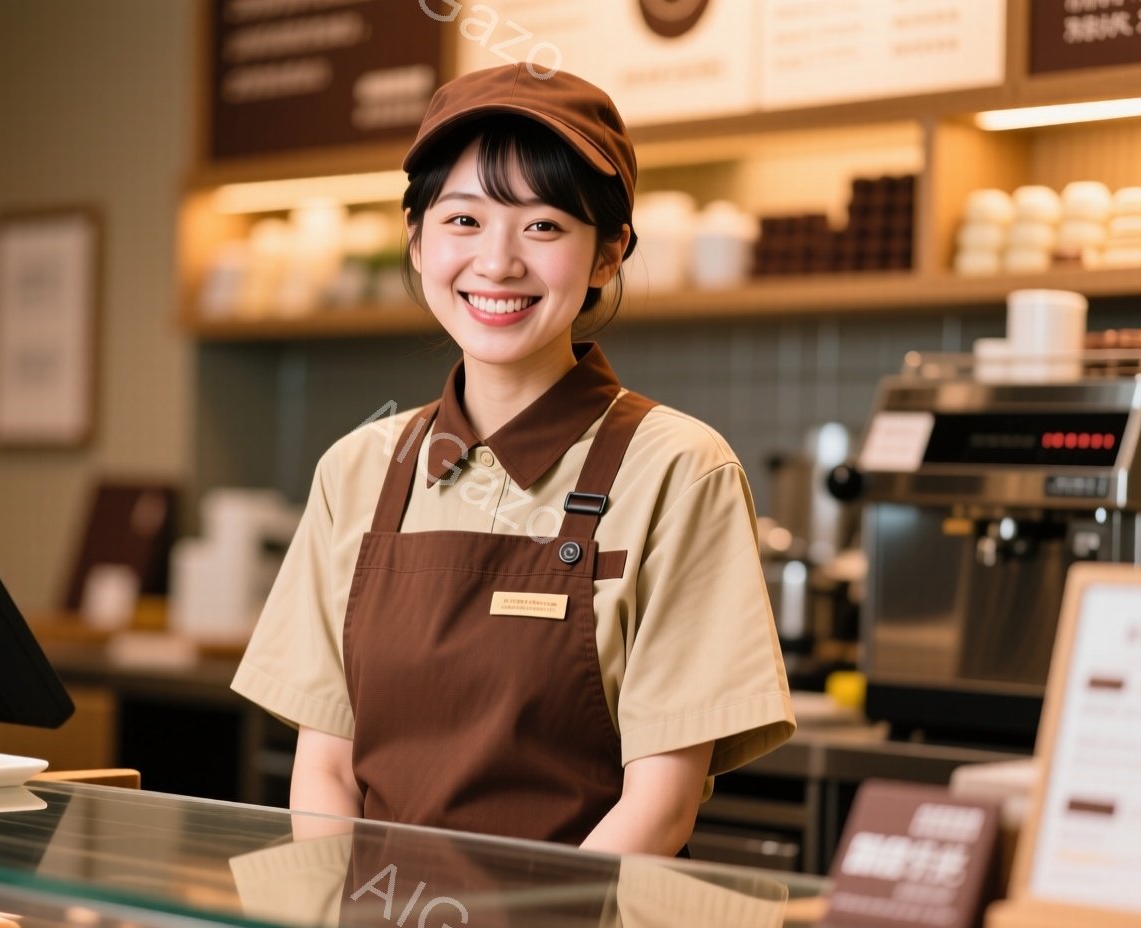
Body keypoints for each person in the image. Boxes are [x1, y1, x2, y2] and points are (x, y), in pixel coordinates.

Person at [231, 63, 794, 857]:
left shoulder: (679, 469)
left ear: (608, 255)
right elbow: (325, 770)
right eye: (463, 221)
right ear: (417, 239)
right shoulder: (356, 469)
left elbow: (660, 809)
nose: (497, 263)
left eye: (544, 226)